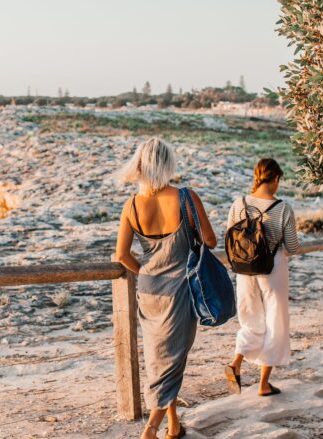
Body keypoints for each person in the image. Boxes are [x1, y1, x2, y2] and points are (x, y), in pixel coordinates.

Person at [114, 138, 217, 439]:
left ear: (140, 166)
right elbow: (210, 241)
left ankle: (173, 425)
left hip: (148, 291)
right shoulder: (186, 197)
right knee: (173, 360)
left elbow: (122, 254)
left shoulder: (132, 205)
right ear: (168, 163)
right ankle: (150, 430)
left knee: (159, 358)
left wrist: (147, 271)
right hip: (179, 291)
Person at [224, 158, 299, 396]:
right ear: (276, 179)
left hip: (244, 268)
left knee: (251, 318)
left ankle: (236, 362)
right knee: (275, 321)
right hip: (273, 267)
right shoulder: (284, 208)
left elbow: (229, 235)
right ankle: (263, 384)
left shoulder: (239, 203)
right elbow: (293, 246)